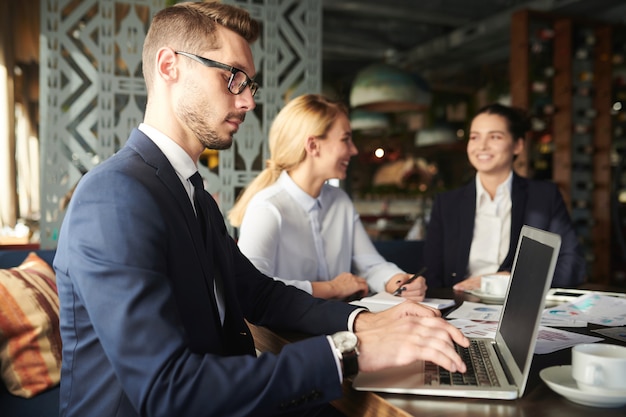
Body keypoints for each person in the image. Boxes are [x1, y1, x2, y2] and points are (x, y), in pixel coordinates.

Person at [53, 3, 468, 417]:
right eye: (233, 77)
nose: (248, 101)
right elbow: (167, 390)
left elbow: (260, 294)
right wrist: (351, 350)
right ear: (169, 66)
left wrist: (362, 322)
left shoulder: (190, 192)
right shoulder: (114, 195)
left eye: (250, 84)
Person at [228, 94, 427, 302]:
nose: (354, 150)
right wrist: (330, 288)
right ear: (313, 146)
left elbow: (371, 264)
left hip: (337, 326)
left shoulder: (340, 201)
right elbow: (251, 287)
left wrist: (396, 280)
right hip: (283, 332)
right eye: (345, 139)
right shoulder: (268, 207)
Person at [420, 102, 585, 290]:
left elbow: (573, 265)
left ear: (517, 146)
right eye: (474, 137)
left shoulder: (544, 197)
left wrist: (509, 281)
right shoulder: (447, 204)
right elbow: (431, 273)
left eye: (495, 137)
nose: (481, 146)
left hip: (521, 307)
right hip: (460, 308)